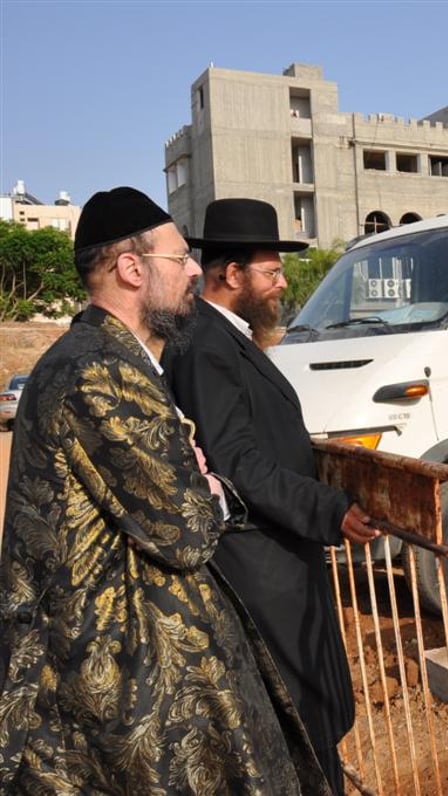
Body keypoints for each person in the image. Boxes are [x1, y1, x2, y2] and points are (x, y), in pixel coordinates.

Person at [0, 187, 329, 793]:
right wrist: (205, 485)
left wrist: (195, 474)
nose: (194, 273)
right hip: (119, 685)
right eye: (179, 260)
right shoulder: (97, 369)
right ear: (132, 269)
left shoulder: (105, 358)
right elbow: (187, 531)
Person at [166, 197, 378, 795]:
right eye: (271, 271)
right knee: (296, 723)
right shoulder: (207, 345)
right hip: (261, 571)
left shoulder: (220, 336)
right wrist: (330, 510)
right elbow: (238, 464)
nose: (282, 283)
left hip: (275, 561)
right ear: (231, 275)